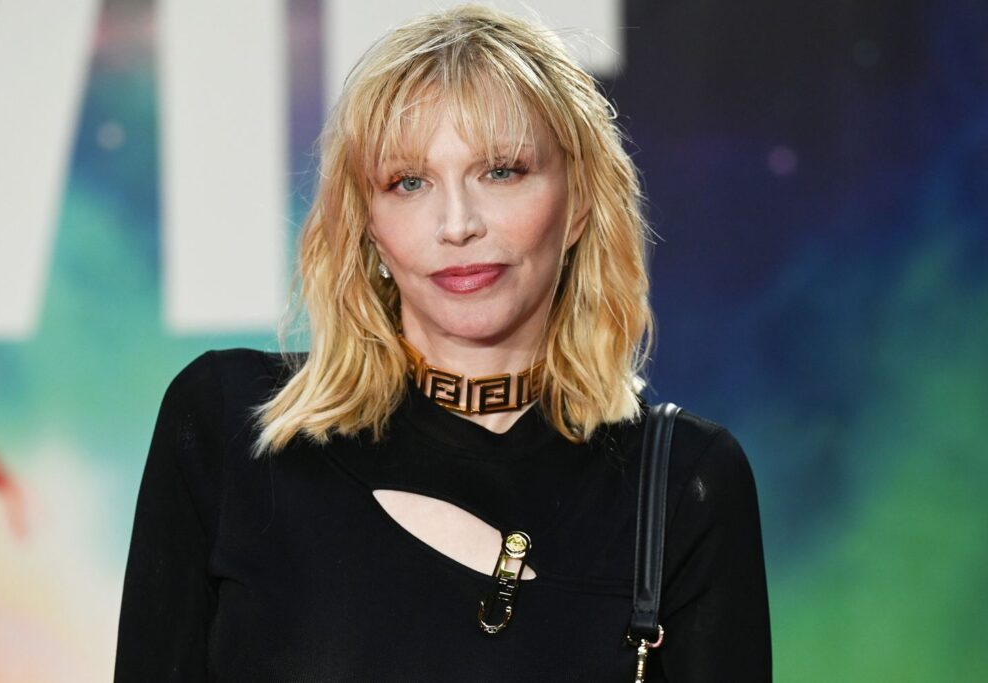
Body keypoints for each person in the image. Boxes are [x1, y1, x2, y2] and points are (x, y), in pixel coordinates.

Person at [114, 5, 771, 681]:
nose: (457, 224)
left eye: (501, 171)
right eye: (409, 182)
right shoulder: (228, 428)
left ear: (578, 203)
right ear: (368, 226)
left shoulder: (684, 484)